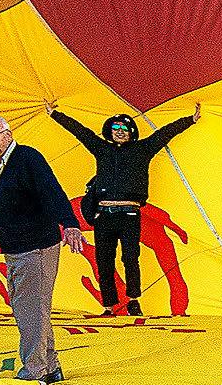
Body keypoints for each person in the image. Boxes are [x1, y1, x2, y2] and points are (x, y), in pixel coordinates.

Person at [0, 112, 95, 382]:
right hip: (15, 248)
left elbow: (52, 191)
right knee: (33, 309)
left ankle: (34, 371)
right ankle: (51, 367)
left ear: (8, 135)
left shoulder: (27, 158)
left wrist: (70, 224)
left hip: (36, 247)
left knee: (31, 311)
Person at [49, 101, 199, 316]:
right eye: (116, 128)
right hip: (104, 215)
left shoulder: (143, 149)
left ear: (131, 132)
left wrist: (190, 120)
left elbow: (165, 133)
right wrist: (55, 115)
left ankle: (133, 301)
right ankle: (109, 306)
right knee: (104, 261)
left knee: (130, 258)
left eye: (124, 128)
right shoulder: (101, 149)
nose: (120, 132)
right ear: (109, 131)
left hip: (130, 214)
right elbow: (80, 132)